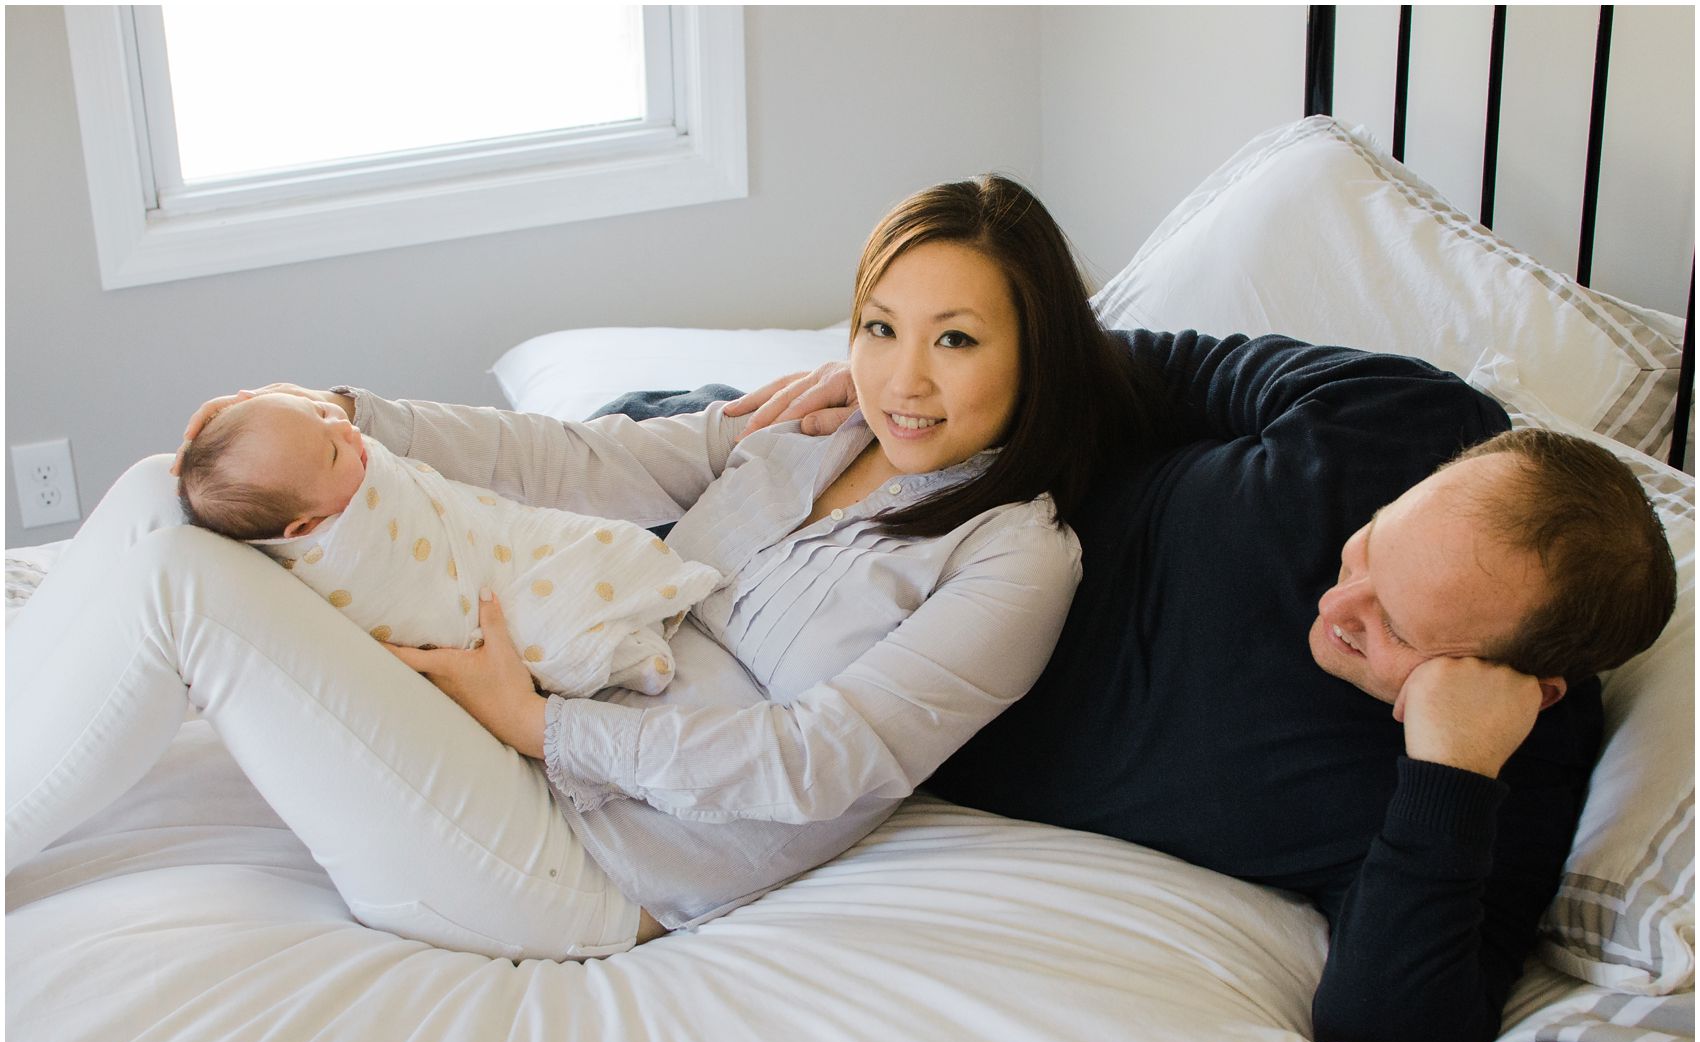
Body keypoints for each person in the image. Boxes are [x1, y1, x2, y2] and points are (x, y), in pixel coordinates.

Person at [5, 175, 1168, 959]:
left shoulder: (1017, 557)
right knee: (167, 487)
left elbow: (822, 764)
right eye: (879, 327)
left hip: (584, 861)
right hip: (510, 733)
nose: (902, 378)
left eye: (954, 339)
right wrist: (335, 414)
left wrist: (540, 729)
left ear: (1039, 349)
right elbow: (574, 460)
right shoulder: (818, 424)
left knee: (184, 590)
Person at [728, 330, 1678, 1042]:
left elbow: (1392, 1030)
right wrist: (915, 389)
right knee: (611, 451)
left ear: (1526, 689)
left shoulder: (1494, 789)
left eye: (1396, 623)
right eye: (1372, 543)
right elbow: (1148, 368)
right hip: (868, 492)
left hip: (806, 679)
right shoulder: (1406, 417)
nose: (1335, 603)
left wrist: (1451, 774)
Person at [176, 391, 723, 697]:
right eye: (332, 453)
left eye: (325, 418)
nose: (347, 432)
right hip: (528, 580)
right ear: (301, 531)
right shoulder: (338, 555)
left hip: (582, 499)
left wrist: (323, 411)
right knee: (658, 409)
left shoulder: (329, 479)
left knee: (654, 408)